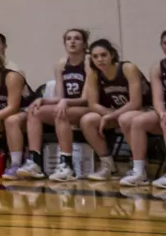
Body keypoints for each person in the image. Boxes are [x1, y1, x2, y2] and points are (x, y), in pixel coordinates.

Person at [62, 38, 146, 182]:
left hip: (142, 111)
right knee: (88, 120)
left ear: (112, 55)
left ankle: (139, 167)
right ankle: (108, 166)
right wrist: (111, 115)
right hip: (114, 112)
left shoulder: (127, 68)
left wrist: (111, 116)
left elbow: (135, 103)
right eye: (95, 56)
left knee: (125, 118)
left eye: (103, 55)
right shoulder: (94, 74)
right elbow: (93, 104)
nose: (99, 59)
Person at [11, 28, 90, 179]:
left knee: (60, 113)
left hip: (86, 107)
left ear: (84, 44)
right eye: (69, 39)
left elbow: (86, 98)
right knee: (34, 111)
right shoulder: (61, 64)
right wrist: (43, 100)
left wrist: (65, 102)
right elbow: (60, 96)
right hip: (66, 105)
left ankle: (67, 164)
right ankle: (35, 162)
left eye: (77, 38)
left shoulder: (88, 63)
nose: (72, 41)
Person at [118, 30, 166, 188]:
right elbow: (158, 98)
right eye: (165, 43)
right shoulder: (158, 68)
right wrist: (161, 113)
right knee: (129, 120)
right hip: (163, 112)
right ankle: (139, 171)